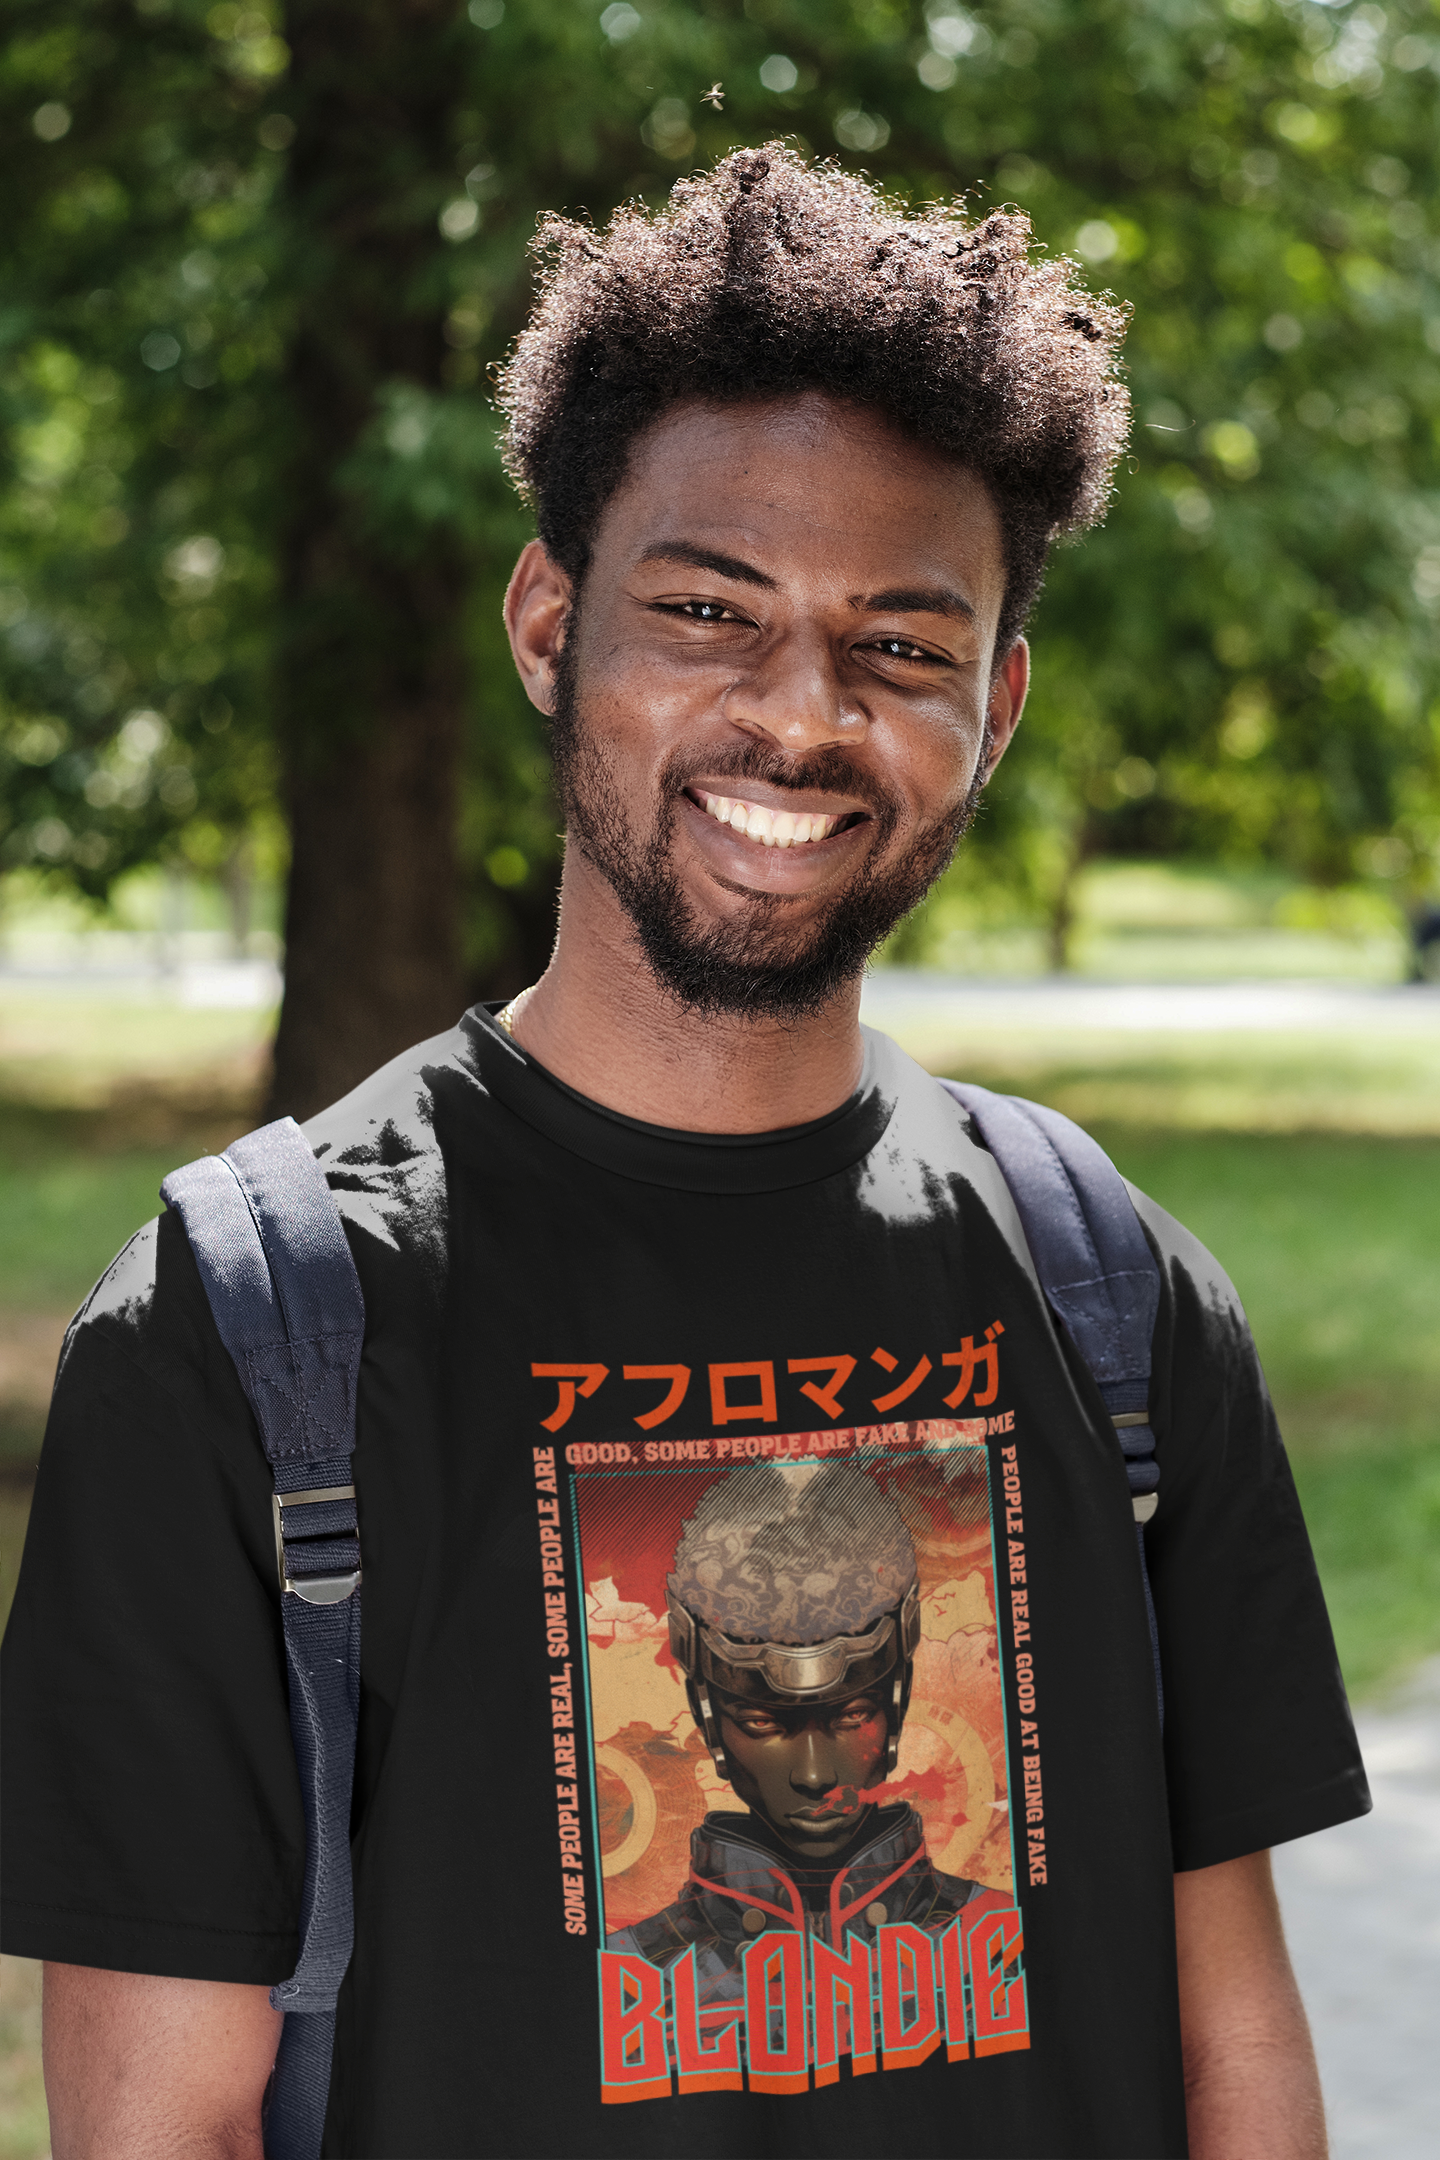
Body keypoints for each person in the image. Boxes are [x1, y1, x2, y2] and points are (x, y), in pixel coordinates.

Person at [2, 146, 1367, 2160]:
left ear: (994, 710)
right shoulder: (248, 1337)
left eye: (902, 647)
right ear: (550, 623)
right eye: (710, 610)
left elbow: (1234, 2067)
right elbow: (159, 2134)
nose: (799, 716)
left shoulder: (1115, 1300)